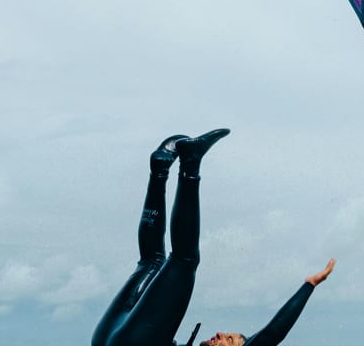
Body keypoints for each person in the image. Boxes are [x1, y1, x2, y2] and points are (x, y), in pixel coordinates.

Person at [92, 128, 336, 346]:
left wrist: (309, 284)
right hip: (110, 334)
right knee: (152, 260)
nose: (220, 334)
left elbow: (272, 335)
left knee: (183, 261)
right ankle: (160, 168)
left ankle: (190, 162)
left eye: (229, 341)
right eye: (227, 335)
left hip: (120, 339)